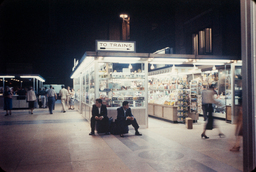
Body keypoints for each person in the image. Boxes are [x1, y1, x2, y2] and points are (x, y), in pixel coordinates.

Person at [230, 79, 243, 152]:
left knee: (240, 130)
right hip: (242, 113)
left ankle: (237, 145)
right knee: (240, 131)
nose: (238, 83)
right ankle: (237, 145)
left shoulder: (243, 91)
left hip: (243, 114)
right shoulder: (242, 91)